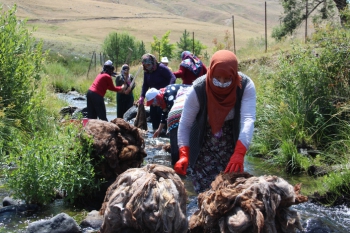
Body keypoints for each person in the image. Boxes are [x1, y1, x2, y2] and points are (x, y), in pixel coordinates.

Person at [174, 50, 256, 194]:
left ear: (235, 75)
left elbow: (247, 119)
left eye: (227, 79)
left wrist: (239, 153)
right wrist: (184, 153)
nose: (222, 84)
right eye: (217, 79)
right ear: (210, 73)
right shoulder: (198, 88)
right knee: (206, 193)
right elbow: (186, 123)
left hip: (231, 141)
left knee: (230, 190)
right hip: (202, 140)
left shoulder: (245, 86)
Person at [145, 84, 191, 165]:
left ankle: (179, 159)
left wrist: (171, 132)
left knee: (176, 132)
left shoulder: (169, 95)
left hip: (189, 102)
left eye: (153, 102)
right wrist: (159, 130)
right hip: (182, 107)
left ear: (157, 97)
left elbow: (173, 114)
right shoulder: (163, 98)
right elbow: (164, 113)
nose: (153, 105)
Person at [137, 53, 176, 131]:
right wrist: (142, 96)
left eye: (148, 65)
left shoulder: (161, 68)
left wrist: (167, 90)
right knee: (153, 115)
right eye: (145, 65)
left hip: (163, 97)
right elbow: (145, 85)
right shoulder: (147, 72)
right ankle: (155, 133)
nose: (147, 67)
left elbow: (172, 77)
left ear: (153, 62)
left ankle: (164, 132)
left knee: (161, 114)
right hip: (153, 98)